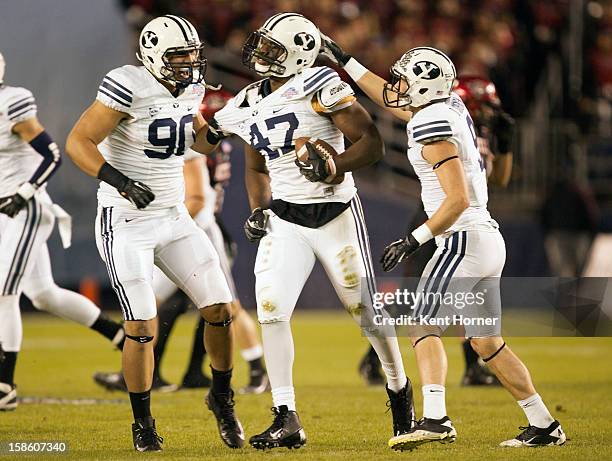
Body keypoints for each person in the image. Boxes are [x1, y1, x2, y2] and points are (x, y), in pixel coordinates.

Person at [321, 39, 566, 449]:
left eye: (403, 80)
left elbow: (457, 199)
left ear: (422, 88)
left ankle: (435, 419)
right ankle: (544, 424)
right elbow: (391, 100)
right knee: (487, 342)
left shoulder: (430, 122)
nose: (396, 87)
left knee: (421, 320)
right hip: (485, 239)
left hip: (462, 240)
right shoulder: (447, 106)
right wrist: (347, 62)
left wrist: (413, 239)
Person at [198, 13, 414, 450]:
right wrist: (259, 207)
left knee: (367, 316)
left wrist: (335, 165)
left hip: (336, 215)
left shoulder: (319, 85)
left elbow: (371, 143)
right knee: (272, 310)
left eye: (272, 48)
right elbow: (251, 163)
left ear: (297, 54)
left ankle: (400, 393)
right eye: (261, 44)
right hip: (285, 219)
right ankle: (285, 415)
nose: (260, 53)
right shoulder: (244, 101)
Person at [65, 16, 243, 451]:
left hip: (174, 216)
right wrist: (119, 180)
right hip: (127, 220)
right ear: (151, 54)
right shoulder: (127, 84)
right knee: (142, 325)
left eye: (191, 55)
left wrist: (220, 127)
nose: (187, 63)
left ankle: (221, 397)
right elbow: (78, 141)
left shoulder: (193, 88)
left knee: (220, 309)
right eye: (178, 56)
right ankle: (142, 421)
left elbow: (199, 142)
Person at [93, 91, 269, 395]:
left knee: (224, 307)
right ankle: (148, 373)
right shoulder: (217, 144)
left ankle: (256, 372)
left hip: (192, 231)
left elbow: (198, 196)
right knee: (154, 311)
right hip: (189, 229)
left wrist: (160, 219)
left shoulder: (193, 146)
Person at [358, 75, 516, 388]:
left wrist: (506, 145)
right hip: (436, 218)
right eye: (481, 106)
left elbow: (499, 179)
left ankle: (473, 367)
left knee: (465, 298)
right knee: (411, 296)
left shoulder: (477, 130)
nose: (487, 113)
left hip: (465, 218)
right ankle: (373, 358)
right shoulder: (446, 121)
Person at [0, 51, 125, 412]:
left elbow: (51, 153)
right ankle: (116, 335)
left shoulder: (12, 102)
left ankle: (5, 383)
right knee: (43, 295)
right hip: (5, 212)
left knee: (4, 292)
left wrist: (25, 192)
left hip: (25, 208)